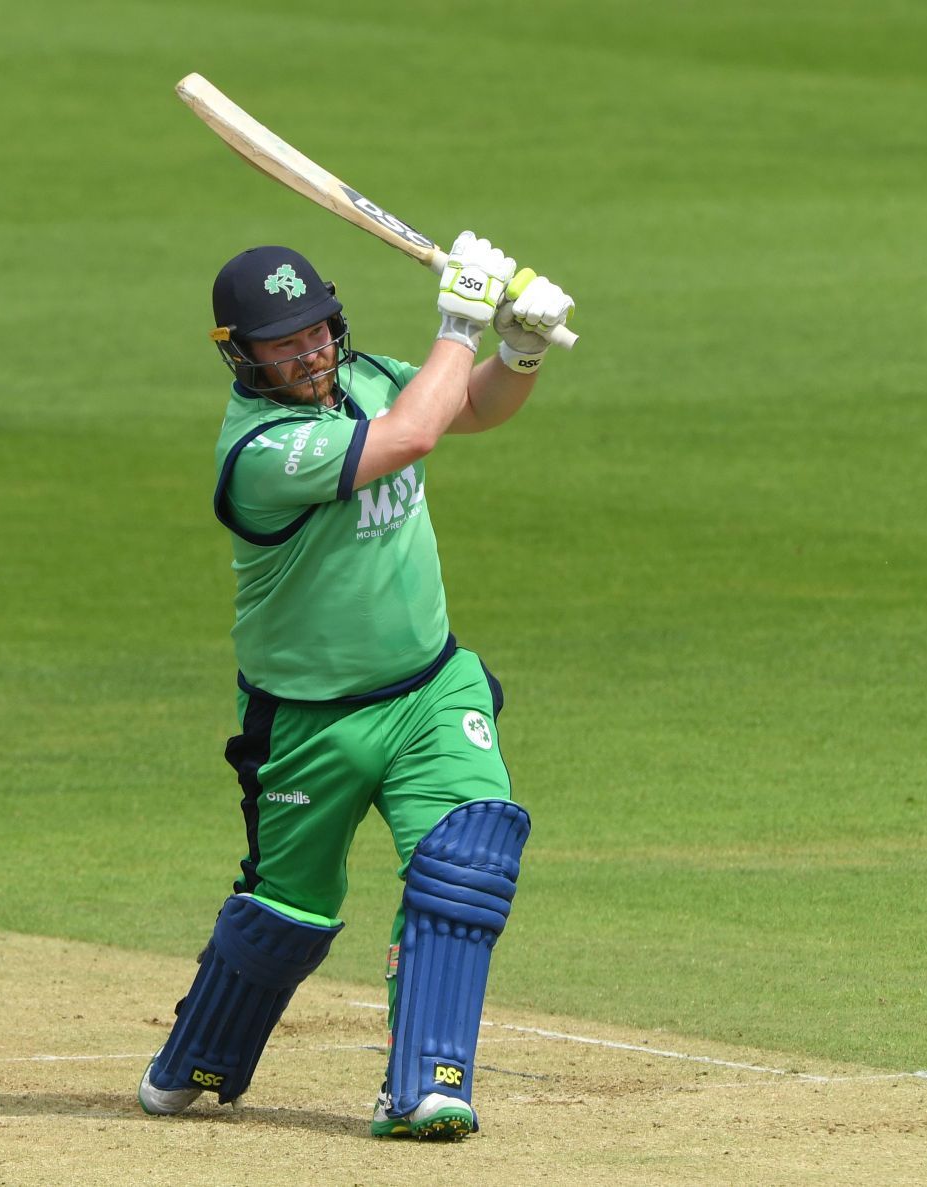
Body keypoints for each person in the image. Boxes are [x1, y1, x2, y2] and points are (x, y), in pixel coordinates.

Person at [136, 232, 574, 1139]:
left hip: (427, 686)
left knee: (468, 856)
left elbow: (473, 409)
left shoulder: (373, 377)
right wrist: (460, 316)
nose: (306, 353)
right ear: (240, 355)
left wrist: (517, 348)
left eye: (315, 330)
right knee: (289, 915)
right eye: (279, 343)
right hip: (307, 722)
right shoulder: (260, 449)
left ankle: (425, 1084)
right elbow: (413, 432)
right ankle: (196, 1055)